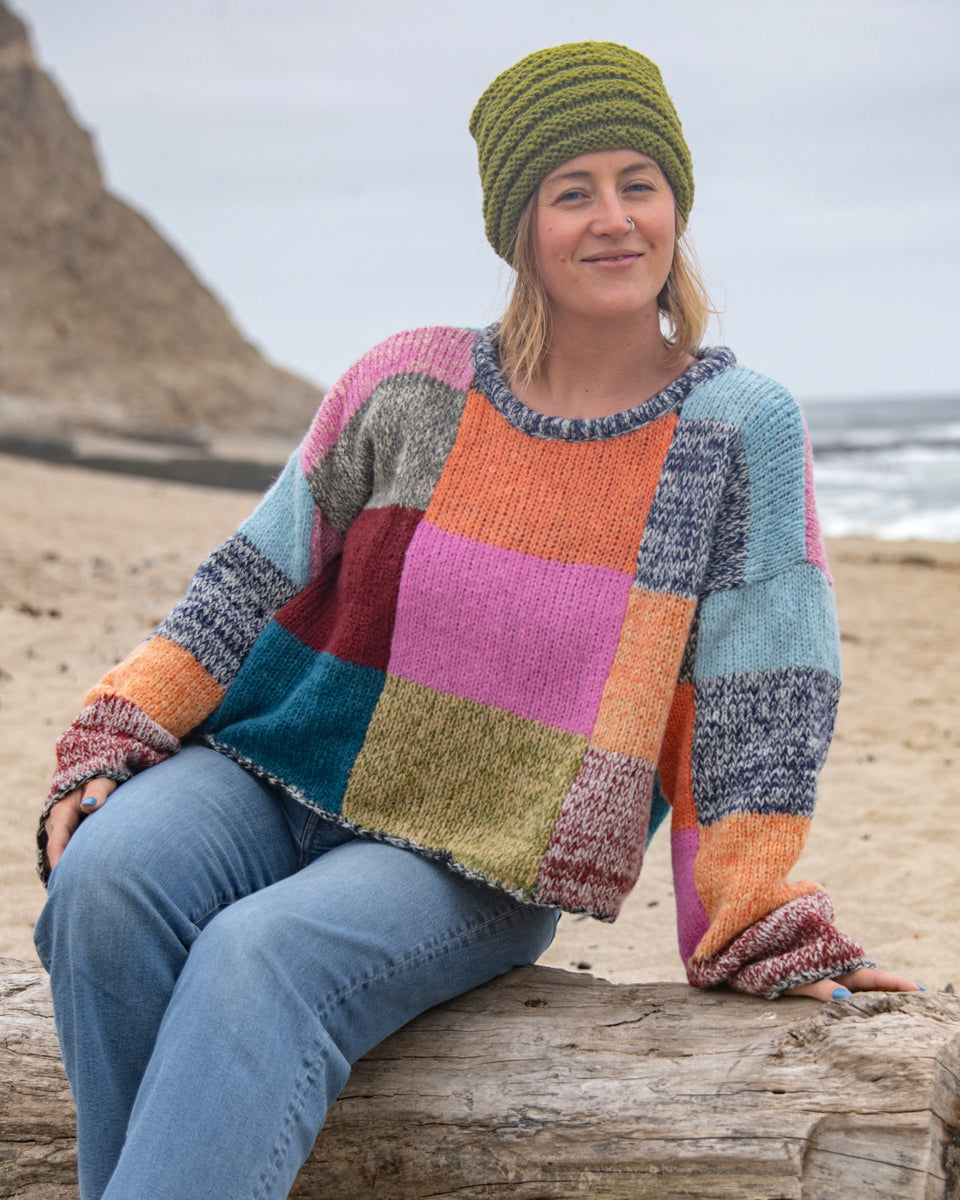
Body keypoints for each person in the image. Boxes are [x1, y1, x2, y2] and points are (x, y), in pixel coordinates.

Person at [34, 41, 920, 1200]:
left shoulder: (733, 429)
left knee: (259, 960)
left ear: (677, 206)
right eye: (571, 191)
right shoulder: (407, 382)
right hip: (268, 771)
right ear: (520, 228)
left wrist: (751, 915)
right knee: (104, 881)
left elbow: (761, 702)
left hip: (479, 854)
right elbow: (248, 580)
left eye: (639, 183)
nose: (614, 219)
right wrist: (122, 728)